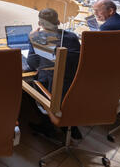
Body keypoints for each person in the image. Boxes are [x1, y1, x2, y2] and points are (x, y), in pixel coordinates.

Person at [27, 9, 82, 140]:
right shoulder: (72, 37)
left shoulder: (39, 38)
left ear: (39, 23)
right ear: (58, 22)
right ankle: (70, 126)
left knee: (29, 86)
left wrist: (32, 38)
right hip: (75, 89)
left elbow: (32, 63)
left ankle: (48, 127)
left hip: (53, 92)